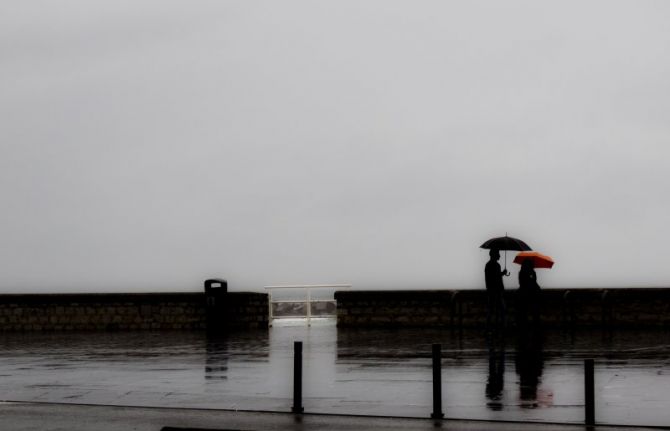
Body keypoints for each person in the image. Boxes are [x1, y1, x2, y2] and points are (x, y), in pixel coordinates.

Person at [485, 248, 508, 329]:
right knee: (499, 309)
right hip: (495, 291)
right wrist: (502, 273)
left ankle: (492, 326)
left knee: (494, 310)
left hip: (493, 290)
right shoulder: (494, 265)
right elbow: (494, 277)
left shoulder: (490, 265)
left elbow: (493, 277)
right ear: (494, 255)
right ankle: (500, 326)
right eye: (498, 254)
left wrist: (502, 273)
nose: (499, 255)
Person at [518, 259, 541, 326]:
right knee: (532, 312)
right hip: (529, 294)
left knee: (526, 312)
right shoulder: (528, 272)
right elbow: (532, 282)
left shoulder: (524, 272)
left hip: (527, 294)